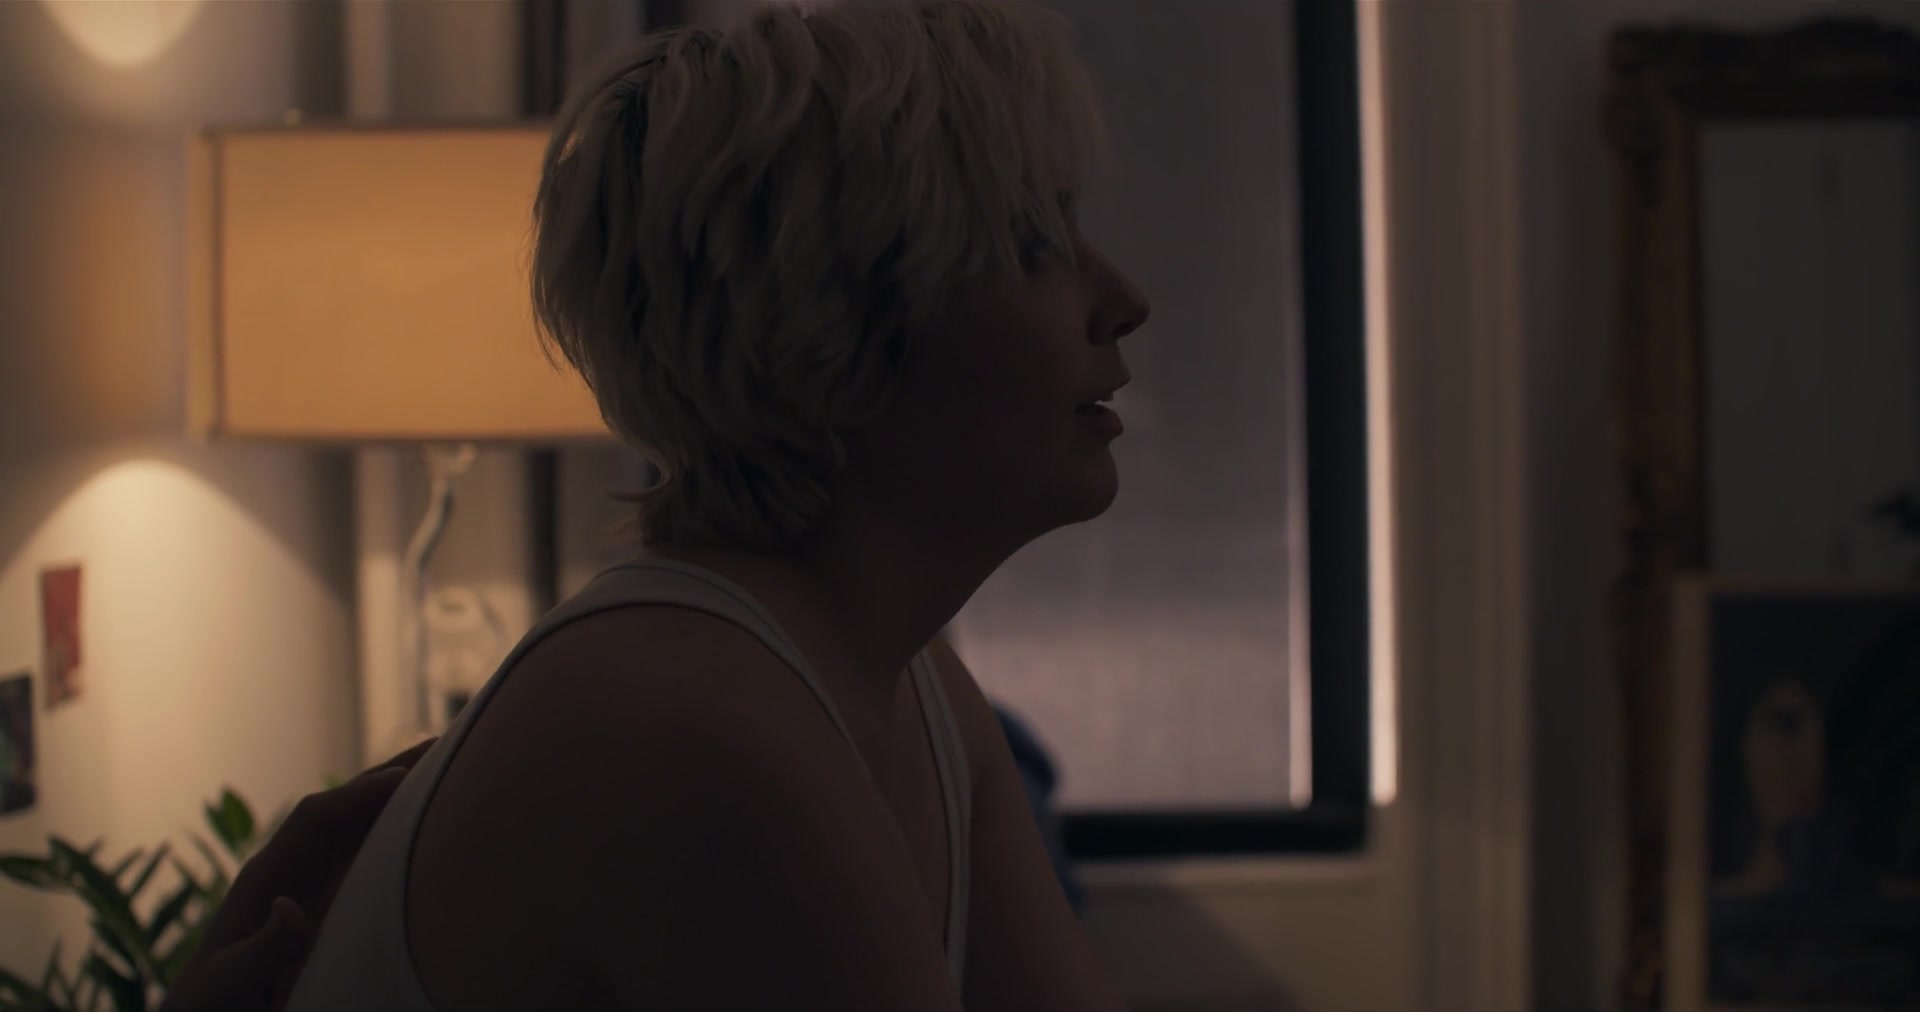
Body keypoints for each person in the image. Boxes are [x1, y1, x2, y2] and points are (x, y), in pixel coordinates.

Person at [277, 2, 1150, 1009]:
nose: (1123, 298)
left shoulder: (916, 693)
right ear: (832, 332)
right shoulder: (695, 720)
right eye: (1036, 243)